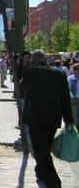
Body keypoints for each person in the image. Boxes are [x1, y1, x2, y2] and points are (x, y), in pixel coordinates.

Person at [22, 50, 74, 188]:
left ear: (33, 61)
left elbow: (20, 91)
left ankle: (54, 182)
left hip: (35, 119)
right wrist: (69, 119)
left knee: (41, 152)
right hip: (52, 120)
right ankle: (40, 173)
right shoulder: (59, 74)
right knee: (43, 149)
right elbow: (65, 99)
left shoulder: (29, 73)